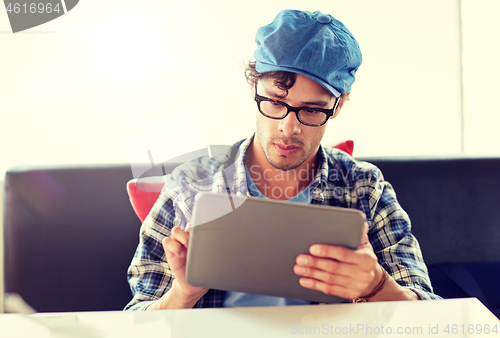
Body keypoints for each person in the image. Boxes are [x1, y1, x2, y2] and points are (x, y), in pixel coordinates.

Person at [125, 9, 440, 311]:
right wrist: (184, 294)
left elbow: (431, 318)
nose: (289, 128)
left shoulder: (364, 187)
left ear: (339, 105)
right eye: (276, 102)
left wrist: (377, 287)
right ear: (253, 87)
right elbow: (135, 321)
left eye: (312, 110)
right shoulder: (190, 184)